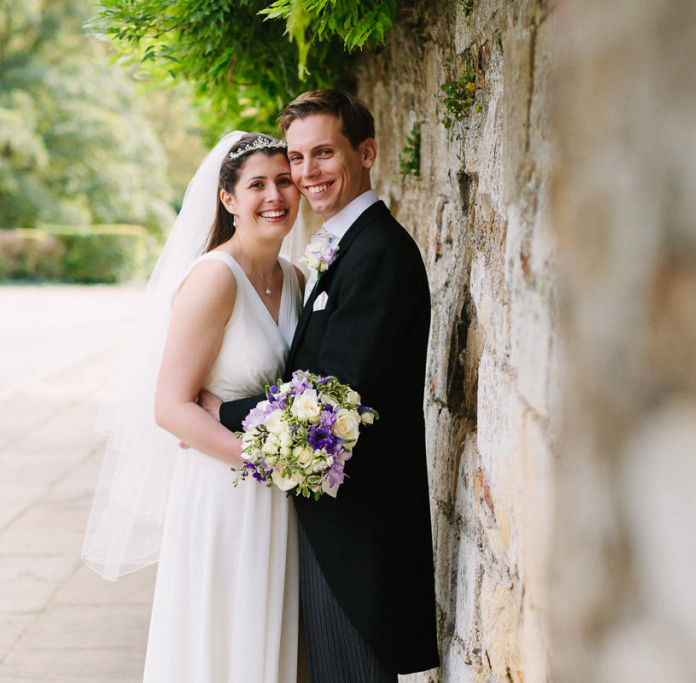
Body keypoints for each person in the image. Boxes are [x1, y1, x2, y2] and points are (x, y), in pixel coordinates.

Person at [208, 89, 440, 680]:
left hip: (359, 533)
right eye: (297, 158)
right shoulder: (343, 247)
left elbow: (331, 398)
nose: (306, 174)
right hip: (330, 520)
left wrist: (220, 409)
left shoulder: (379, 254)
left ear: (366, 152)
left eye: (324, 154)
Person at [81, 131, 308, 682]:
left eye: (284, 180)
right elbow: (171, 406)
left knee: (272, 641)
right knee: (225, 638)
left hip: (286, 499)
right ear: (228, 200)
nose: (274, 195)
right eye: (257, 184)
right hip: (224, 492)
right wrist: (267, 461)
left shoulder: (296, 279)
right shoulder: (214, 278)